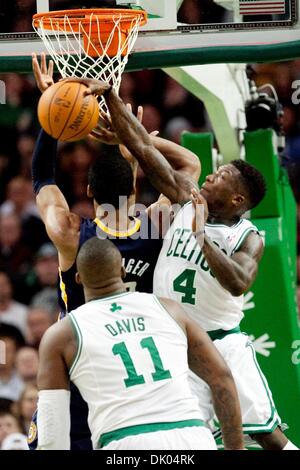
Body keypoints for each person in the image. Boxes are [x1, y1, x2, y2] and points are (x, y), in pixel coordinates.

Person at [77, 77, 298, 450]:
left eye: (222, 177)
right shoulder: (186, 197)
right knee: (189, 441)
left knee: (267, 435)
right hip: (177, 347)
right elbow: (145, 148)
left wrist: (200, 236)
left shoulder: (247, 236)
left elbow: (239, 282)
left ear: (237, 198)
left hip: (222, 345)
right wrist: (112, 97)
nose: (211, 175)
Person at [29, 54, 200, 449]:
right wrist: (132, 135)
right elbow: (190, 165)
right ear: (136, 189)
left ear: (88, 192)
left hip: (76, 366)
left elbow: (42, 177)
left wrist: (53, 109)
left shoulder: (71, 232)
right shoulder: (158, 223)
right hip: (137, 378)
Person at [36, 237, 244, 450]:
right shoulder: (169, 309)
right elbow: (222, 378)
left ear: (79, 279)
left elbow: (52, 423)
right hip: (191, 436)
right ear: (123, 271)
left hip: (125, 441)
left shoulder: (61, 334)